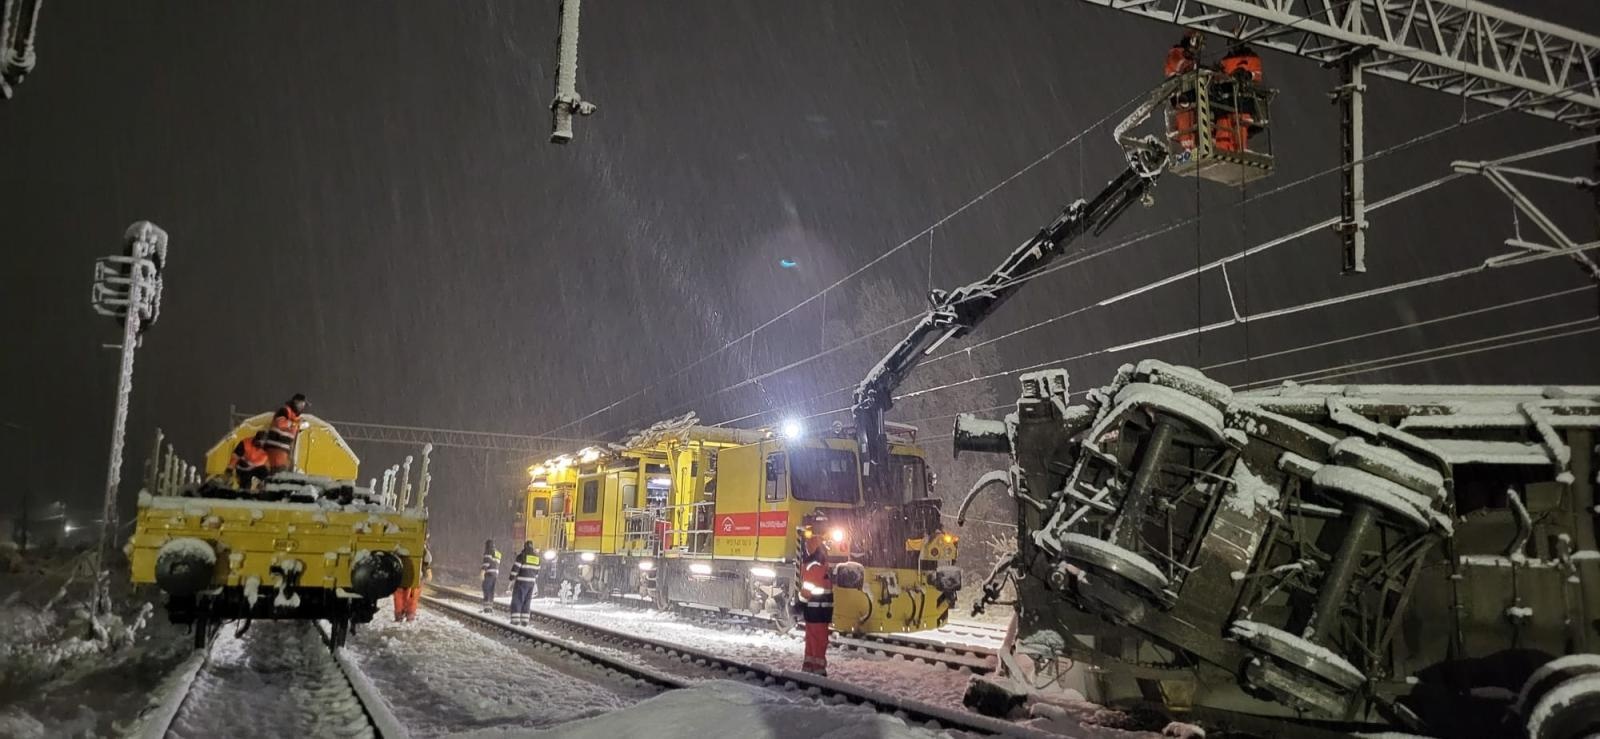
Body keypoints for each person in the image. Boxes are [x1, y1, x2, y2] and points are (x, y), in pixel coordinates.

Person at [795, 514, 834, 677]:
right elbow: (815, 585)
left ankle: (810, 665)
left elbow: (808, 586)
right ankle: (817, 668)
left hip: (813, 608)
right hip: (821, 608)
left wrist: (800, 603)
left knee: (812, 637)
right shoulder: (820, 564)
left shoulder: (810, 564)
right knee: (820, 639)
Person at [1214, 44, 1264, 153]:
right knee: (1223, 129)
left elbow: (1257, 74)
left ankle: (1239, 152)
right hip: (1226, 102)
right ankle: (1223, 150)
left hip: (1242, 101)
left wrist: (1247, 75)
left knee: (1239, 131)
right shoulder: (1225, 60)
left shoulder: (1250, 57)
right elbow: (1219, 77)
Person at [1164, 30, 1203, 152]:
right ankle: (1190, 152)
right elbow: (1180, 66)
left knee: (1195, 126)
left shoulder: (1192, 60)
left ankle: (1195, 151)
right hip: (1180, 97)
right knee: (1186, 129)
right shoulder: (1176, 53)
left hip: (1191, 98)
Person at [263, 394, 308, 473]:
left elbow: (293, 431)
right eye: (300, 404)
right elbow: (280, 423)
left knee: (281, 472)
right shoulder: (284, 411)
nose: (302, 407)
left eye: (303, 405)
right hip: (276, 446)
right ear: (294, 402)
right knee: (278, 472)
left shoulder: (296, 418)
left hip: (284, 449)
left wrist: (300, 426)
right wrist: (295, 424)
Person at [507, 541, 541, 626]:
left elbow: (516, 569)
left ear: (525, 547)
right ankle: (525, 621)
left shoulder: (521, 556)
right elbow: (537, 573)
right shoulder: (537, 558)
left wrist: (511, 578)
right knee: (527, 601)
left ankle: (515, 620)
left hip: (521, 582)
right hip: (531, 583)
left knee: (517, 600)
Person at [481, 539, 502, 612]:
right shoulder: (498, 553)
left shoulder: (488, 551)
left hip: (489, 573)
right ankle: (490, 607)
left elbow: (486, 562)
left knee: (486, 589)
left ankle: (486, 608)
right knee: (491, 591)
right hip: (495, 574)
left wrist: (482, 571)